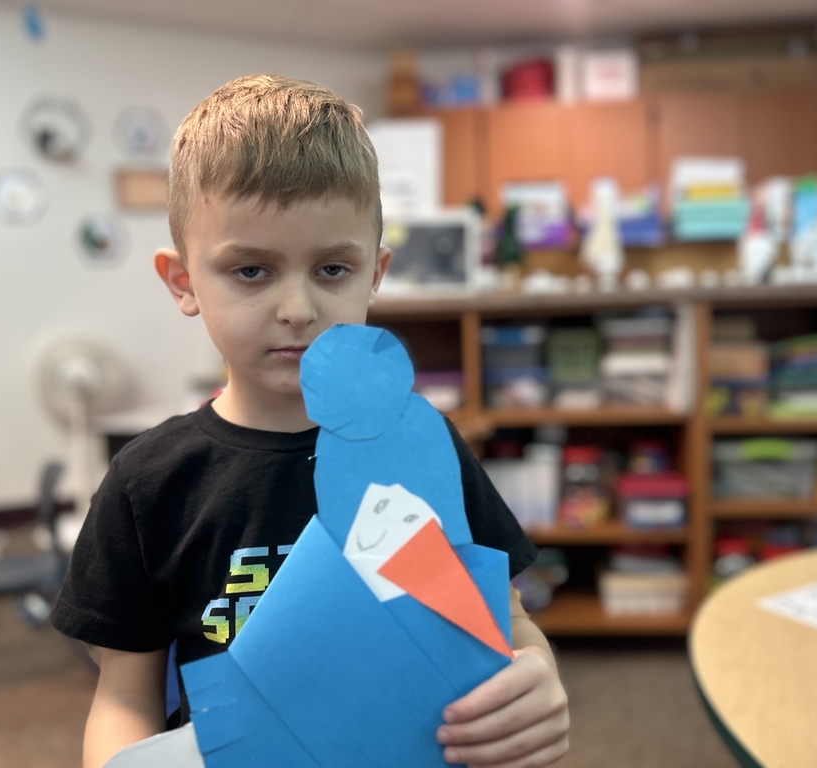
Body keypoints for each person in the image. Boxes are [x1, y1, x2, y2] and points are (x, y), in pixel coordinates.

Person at [52, 74, 570, 768]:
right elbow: (124, 695)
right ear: (183, 282)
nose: (297, 307)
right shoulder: (149, 485)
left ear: (375, 273)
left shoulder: (420, 447)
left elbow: (507, 626)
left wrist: (536, 681)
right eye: (251, 272)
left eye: (331, 269)